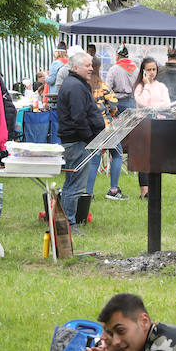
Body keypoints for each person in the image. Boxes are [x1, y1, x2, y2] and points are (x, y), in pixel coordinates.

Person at [56, 51, 106, 235]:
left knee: (72, 184)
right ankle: (68, 224)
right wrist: (90, 139)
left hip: (77, 141)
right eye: (87, 65)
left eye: (91, 65)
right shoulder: (75, 86)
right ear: (75, 67)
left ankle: (64, 221)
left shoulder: (76, 84)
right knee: (74, 186)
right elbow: (78, 117)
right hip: (77, 142)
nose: (91, 69)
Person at [84, 55, 126, 201]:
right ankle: (114, 190)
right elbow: (114, 105)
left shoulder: (83, 86)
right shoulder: (103, 86)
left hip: (90, 128)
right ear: (99, 68)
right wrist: (111, 112)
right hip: (107, 127)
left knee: (93, 160)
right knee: (117, 155)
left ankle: (88, 193)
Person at [133, 57, 170, 199]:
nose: (152, 72)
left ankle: (154, 188)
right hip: (143, 125)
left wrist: (152, 108)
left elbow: (166, 104)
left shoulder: (161, 86)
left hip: (159, 125)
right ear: (143, 71)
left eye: (154, 69)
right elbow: (142, 103)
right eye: (149, 70)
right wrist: (147, 86)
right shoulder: (140, 87)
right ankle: (144, 190)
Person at [105, 44, 137, 111]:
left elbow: (107, 88)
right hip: (133, 102)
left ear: (117, 56)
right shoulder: (136, 69)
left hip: (118, 103)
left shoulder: (114, 69)